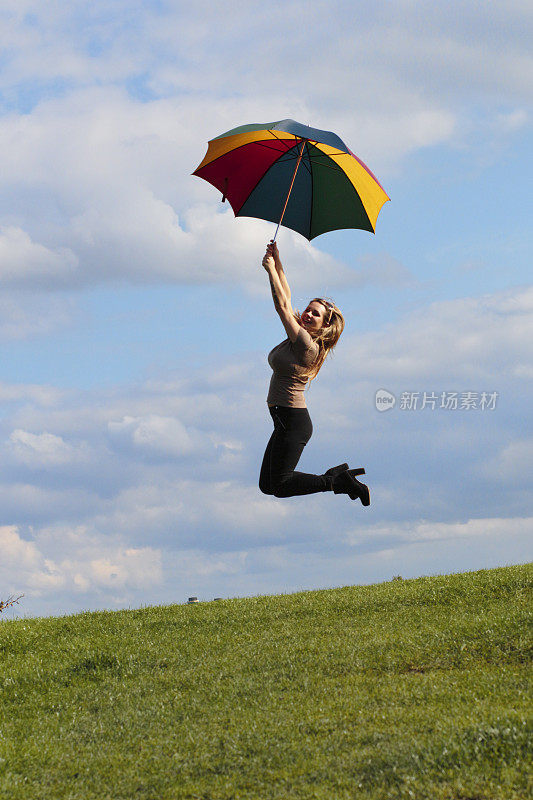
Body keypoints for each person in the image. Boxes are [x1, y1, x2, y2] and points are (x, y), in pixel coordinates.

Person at [259, 240, 370, 505]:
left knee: (281, 485)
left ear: (325, 324)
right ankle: (337, 479)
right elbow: (286, 297)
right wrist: (278, 260)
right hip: (283, 420)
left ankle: (337, 481)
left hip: (293, 421)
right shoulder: (300, 334)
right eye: (308, 309)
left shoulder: (307, 345)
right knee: (267, 485)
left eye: (315, 314)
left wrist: (269, 271)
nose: (307, 314)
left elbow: (282, 307)